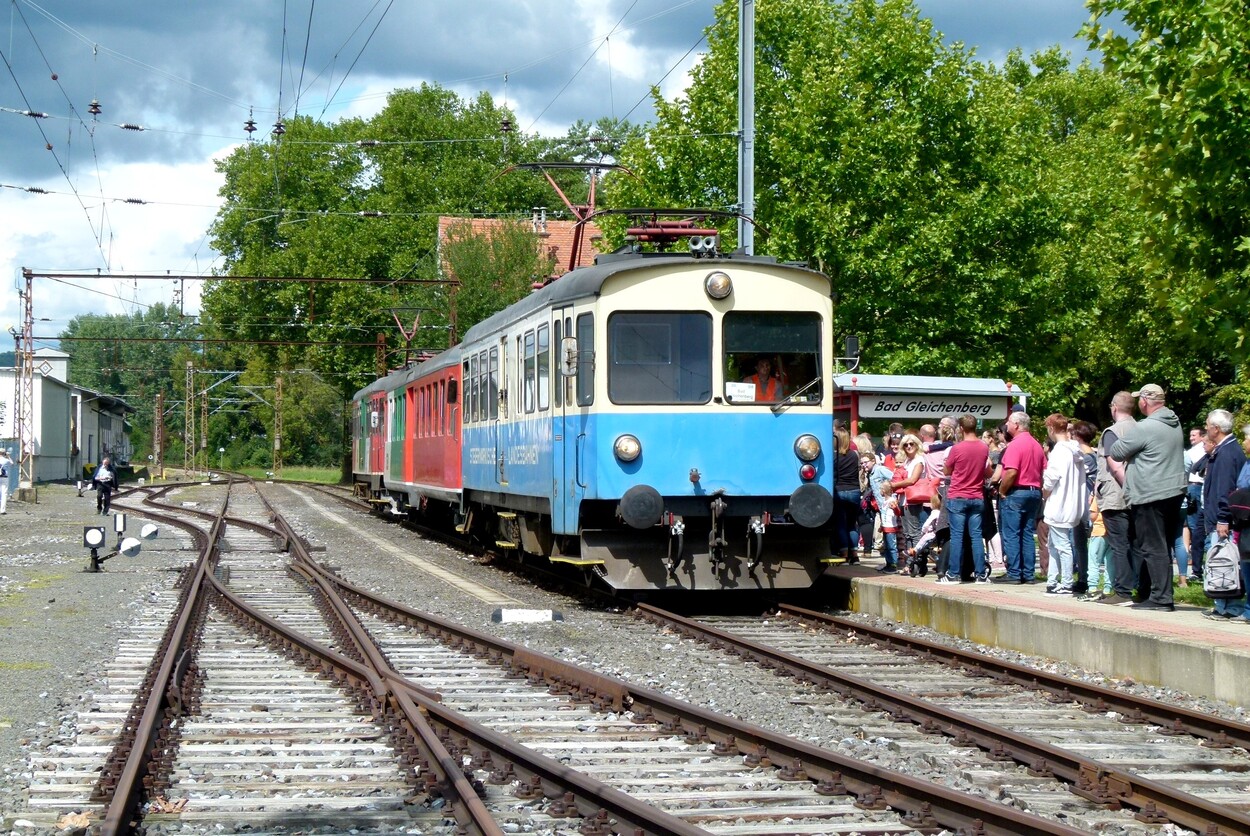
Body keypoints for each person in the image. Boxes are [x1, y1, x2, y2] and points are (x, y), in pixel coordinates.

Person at [1109, 384, 1186, 611]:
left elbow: (1116, 452)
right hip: (1173, 491)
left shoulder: (1146, 427)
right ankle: (1161, 593)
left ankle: (1161, 598)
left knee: (1152, 547)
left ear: (1144, 401)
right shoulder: (1174, 423)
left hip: (1150, 493)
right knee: (1164, 545)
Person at [1199, 410, 1248, 620]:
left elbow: (1225, 489)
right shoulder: (1226, 450)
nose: (1206, 428)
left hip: (1223, 520)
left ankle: (1230, 605)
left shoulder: (1227, 453)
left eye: (1208, 425)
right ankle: (1222, 604)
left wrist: (1222, 517)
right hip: (1219, 517)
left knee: (1224, 561)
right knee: (1221, 561)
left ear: (1216, 429)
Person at [1094, 391, 1139, 605]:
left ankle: (1122, 591)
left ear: (1114, 407)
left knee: (1119, 544)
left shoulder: (1112, 431)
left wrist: (1129, 489)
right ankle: (1140, 588)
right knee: (1136, 544)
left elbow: (1115, 465)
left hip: (1117, 495)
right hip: (1139, 494)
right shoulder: (1140, 428)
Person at [938, 414, 993, 584]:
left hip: (958, 496)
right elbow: (988, 472)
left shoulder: (957, 448)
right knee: (976, 536)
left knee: (957, 536)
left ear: (961, 428)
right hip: (976, 496)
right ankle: (981, 574)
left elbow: (947, 471)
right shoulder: (983, 447)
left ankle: (953, 574)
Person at [995, 411, 1046, 583]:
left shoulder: (1015, 445)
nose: (1007, 425)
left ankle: (1015, 572)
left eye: (1009, 422)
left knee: (1012, 533)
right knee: (1026, 533)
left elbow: (1011, 472)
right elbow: (1043, 470)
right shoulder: (1036, 445)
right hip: (1034, 491)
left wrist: (1002, 491)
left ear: (1016, 425)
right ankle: (1028, 573)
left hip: (1017, 492)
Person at [1042, 414, 1087, 596]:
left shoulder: (1059, 451)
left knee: (1062, 545)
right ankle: (1052, 581)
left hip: (1059, 503)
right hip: (1072, 503)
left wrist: (1045, 492)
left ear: (1051, 428)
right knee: (1054, 544)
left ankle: (1066, 583)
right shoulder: (1075, 450)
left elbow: (1051, 479)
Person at [890, 434, 928, 552]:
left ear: (917, 445)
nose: (909, 446)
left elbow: (912, 480)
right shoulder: (907, 461)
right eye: (906, 445)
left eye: (911, 444)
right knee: (906, 533)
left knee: (914, 532)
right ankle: (909, 559)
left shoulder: (919, 460)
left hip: (913, 500)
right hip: (903, 499)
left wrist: (894, 485)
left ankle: (917, 559)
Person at [832, 427, 862, 563]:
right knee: (852, 524)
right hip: (854, 491)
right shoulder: (854, 455)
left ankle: (844, 554)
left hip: (839, 490)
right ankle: (854, 555)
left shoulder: (834, 457)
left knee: (841, 524)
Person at [1185, 425, 1208, 580]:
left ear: (1202, 436)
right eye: (1190, 435)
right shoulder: (1194, 450)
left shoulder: (1200, 451)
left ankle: (1198, 569)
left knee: (1196, 526)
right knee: (1194, 526)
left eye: (1194, 435)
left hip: (1195, 487)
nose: (1191, 438)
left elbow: (1192, 468)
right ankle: (1198, 567)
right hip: (1193, 487)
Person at [1084, 494, 1113, 600]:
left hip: (1098, 531)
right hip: (1111, 531)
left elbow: (1093, 515)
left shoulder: (1099, 495)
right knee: (1110, 562)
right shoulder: (1114, 494)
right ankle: (1108, 589)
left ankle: (1092, 588)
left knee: (1094, 561)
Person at [0, 449, 11, 514]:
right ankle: (2, 510)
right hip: (4, 477)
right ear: (4, 453)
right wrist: (8, 456)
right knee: (4, 493)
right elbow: (12, 463)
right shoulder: (6, 460)